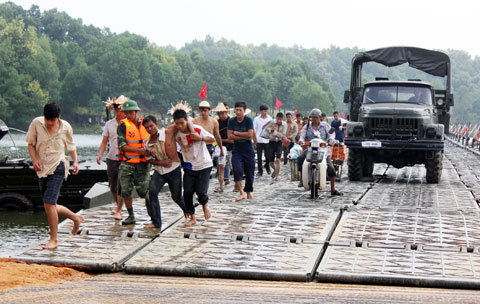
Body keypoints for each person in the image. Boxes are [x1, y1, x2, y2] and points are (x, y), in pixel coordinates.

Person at [26, 103, 84, 250]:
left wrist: (75, 162)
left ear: (58, 117)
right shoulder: (36, 123)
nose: (49, 123)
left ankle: (54, 240)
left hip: (58, 166)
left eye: (52, 120)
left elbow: (71, 146)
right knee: (49, 204)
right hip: (42, 167)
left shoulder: (66, 127)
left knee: (49, 203)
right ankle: (76, 218)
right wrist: (34, 160)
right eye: (47, 119)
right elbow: (31, 144)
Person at [143, 115, 186, 229]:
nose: (150, 129)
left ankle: (189, 212)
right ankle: (156, 222)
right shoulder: (147, 144)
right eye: (147, 127)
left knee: (176, 197)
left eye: (151, 126)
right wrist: (160, 163)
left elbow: (180, 123)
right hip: (160, 171)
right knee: (152, 192)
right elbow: (148, 159)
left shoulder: (167, 133)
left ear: (156, 124)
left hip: (174, 169)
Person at [174, 109, 214, 226]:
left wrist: (200, 138)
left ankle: (205, 204)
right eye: (177, 123)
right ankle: (192, 217)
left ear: (187, 120)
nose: (180, 126)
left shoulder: (197, 129)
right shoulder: (176, 133)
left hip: (204, 164)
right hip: (189, 165)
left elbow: (212, 139)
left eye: (182, 123)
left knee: (201, 191)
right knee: (187, 192)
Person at [117, 99, 151, 225]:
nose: (129, 115)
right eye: (126, 113)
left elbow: (155, 137)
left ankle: (152, 212)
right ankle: (131, 215)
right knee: (125, 190)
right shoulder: (122, 125)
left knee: (143, 191)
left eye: (131, 112)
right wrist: (140, 151)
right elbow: (122, 145)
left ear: (136, 111)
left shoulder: (146, 123)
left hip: (143, 164)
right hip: (127, 164)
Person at [297, 108, 343, 196]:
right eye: (313, 117)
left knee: (331, 168)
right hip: (310, 149)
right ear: (311, 118)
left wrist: (331, 141)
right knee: (300, 159)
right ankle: (303, 177)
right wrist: (301, 141)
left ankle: (333, 189)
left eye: (316, 117)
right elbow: (302, 135)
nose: (314, 119)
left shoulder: (325, 125)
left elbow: (331, 135)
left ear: (320, 117)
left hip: (323, 150)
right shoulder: (306, 127)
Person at [96, 96, 126, 220]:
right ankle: (118, 205)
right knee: (113, 185)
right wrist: (100, 154)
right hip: (112, 157)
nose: (118, 112)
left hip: (125, 158)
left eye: (120, 110)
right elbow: (104, 141)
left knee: (121, 183)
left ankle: (119, 209)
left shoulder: (128, 123)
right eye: (116, 110)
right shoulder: (109, 124)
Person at [228, 101, 255, 201]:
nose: (238, 112)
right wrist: (242, 135)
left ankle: (248, 192)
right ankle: (241, 193)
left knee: (249, 172)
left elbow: (250, 136)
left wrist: (237, 133)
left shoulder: (248, 120)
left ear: (244, 111)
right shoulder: (231, 121)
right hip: (237, 150)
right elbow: (230, 136)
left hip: (248, 150)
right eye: (237, 110)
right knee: (237, 170)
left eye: (240, 110)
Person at [214, 102, 233, 193]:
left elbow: (232, 139)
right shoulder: (216, 122)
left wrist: (221, 140)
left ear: (226, 112)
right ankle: (221, 185)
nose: (220, 115)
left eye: (222, 113)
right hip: (221, 147)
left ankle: (237, 184)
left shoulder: (232, 121)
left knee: (233, 167)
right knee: (221, 166)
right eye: (219, 113)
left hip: (231, 147)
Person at [267, 112, 287, 181]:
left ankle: (277, 176)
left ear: (282, 119)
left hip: (279, 142)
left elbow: (283, 135)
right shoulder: (272, 123)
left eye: (280, 119)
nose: (279, 120)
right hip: (271, 142)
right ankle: (275, 170)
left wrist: (274, 132)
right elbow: (266, 129)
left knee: (278, 159)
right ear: (276, 118)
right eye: (278, 119)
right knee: (271, 162)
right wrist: (270, 130)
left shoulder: (284, 125)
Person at [253, 104, 272, 176]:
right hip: (259, 140)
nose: (265, 112)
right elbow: (254, 130)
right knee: (259, 156)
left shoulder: (269, 119)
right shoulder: (256, 119)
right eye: (264, 111)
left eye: (266, 110)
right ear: (261, 111)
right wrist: (254, 141)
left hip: (267, 140)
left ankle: (267, 167)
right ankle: (260, 170)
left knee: (267, 155)